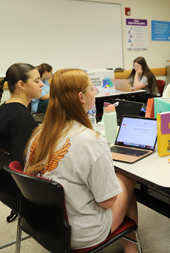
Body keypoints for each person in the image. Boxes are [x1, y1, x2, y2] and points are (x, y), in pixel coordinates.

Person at [24, 69, 138, 252]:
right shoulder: (91, 140)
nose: (95, 93)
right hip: (82, 233)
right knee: (127, 178)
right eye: (92, 89)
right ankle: (132, 250)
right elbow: (107, 202)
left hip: (46, 224)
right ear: (81, 97)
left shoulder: (38, 135)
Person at [0, 63, 44, 168]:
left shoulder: (5, 108)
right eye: (36, 81)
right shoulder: (21, 118)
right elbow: (25, 164)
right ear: (21, 85)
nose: (41, 84)